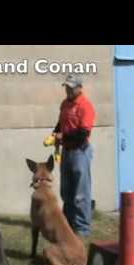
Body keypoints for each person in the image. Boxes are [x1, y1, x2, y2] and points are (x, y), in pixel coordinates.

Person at [52, 74, 96, 237]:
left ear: (79, 88)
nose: (68, 90)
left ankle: (82, 228)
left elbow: (83, 133)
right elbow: (60, 123)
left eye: (71, 87)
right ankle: (68, 225)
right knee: (66, 191)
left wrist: (63, 137)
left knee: (80, 193)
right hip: (67, 151)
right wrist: (54, 135)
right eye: (66, 87)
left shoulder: (85, 106)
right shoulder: (65, 104)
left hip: (80, 151)